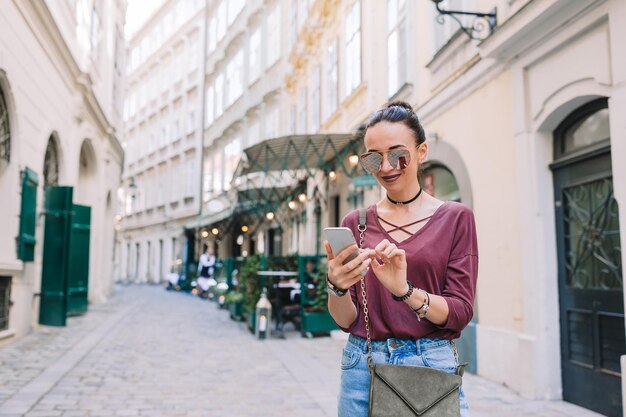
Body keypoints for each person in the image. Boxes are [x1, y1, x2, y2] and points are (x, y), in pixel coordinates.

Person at [324, 101, 478, 417]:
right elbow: (345, 321)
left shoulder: (455, 218)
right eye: (372, 158)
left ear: (421, 152)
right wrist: (336, 287)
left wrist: (404, 292)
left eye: (397, 154)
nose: (385, 167)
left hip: (430, 363)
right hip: (363, 365)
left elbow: (460, 312)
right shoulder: (356, 222)